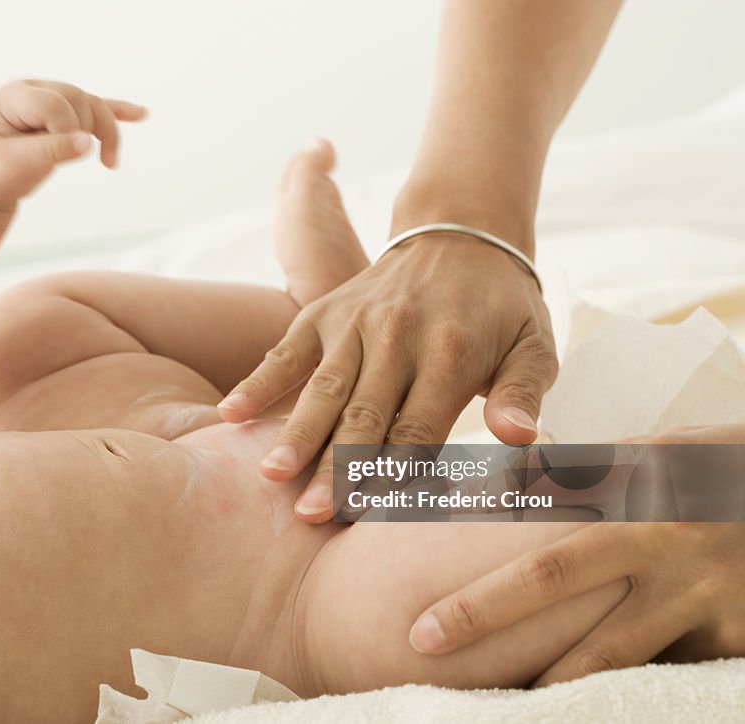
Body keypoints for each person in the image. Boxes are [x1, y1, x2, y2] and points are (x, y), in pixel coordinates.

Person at [0, 80, 629, 723]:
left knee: (22, 335)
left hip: (169, 427)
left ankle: (309, 332)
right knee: (626, 516)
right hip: (284, 602)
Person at [215, 0, 745, 681]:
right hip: (277, 492)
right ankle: (312, 303)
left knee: (668, 499)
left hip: (317, 578)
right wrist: (461, 218)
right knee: (675, 502)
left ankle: (305, 300)